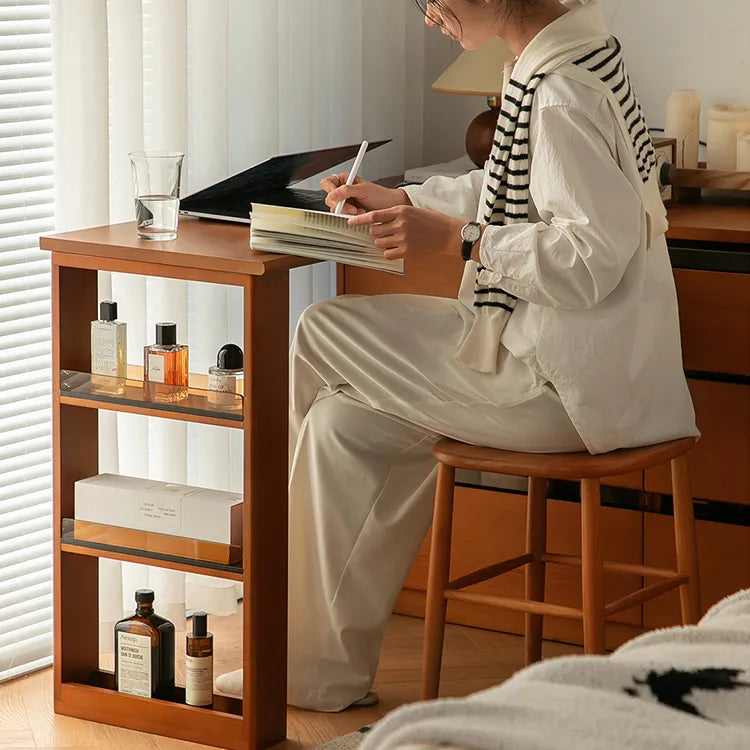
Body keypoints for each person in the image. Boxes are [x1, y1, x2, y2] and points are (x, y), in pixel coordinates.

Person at [286, 0, 698, 712]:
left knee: (322, 329)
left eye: (430, 1)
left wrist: (459, 242)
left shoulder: (561, 90)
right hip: (592, 369)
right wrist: (402, 199)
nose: (427, 16)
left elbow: (588, 258)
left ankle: (262, 577)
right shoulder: (568, 57)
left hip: (562, 386)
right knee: (342, 426)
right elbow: (508, 189)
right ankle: (309, 672)